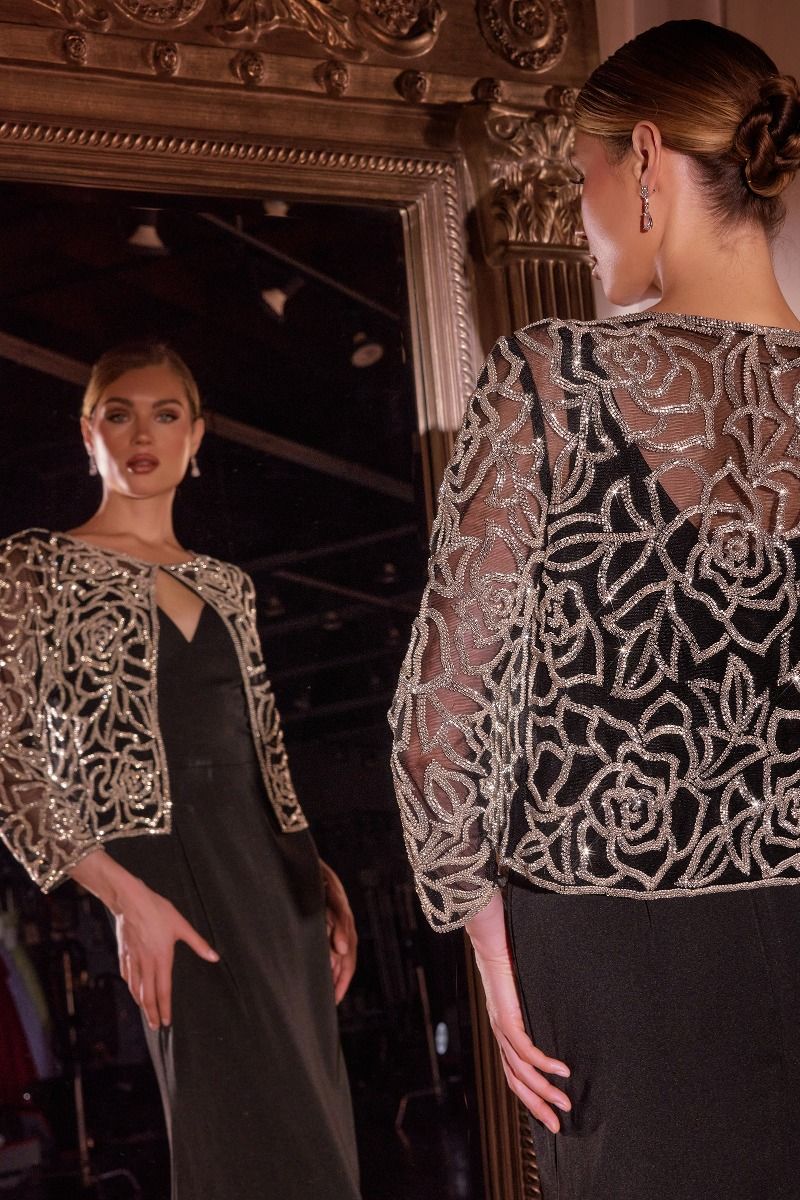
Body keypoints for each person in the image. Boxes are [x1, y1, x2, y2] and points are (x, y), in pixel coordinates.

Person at [388, 19, 800, 1200]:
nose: (577, 218)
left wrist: (484, 937)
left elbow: (444, 709)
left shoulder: (549, 380)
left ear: (647, 161)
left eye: (582, 180)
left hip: (615, 953)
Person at [0, 342, 361, 1199]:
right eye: (119, 414)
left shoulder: (227, 585)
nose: (142, 434)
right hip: (163, 882)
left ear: (195, 437)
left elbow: (262, 749)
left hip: (277, 885)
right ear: (87, 433)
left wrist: (320, 874)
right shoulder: (33, 567)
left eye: (165, 416)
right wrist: (124, 897)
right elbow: (7, 758)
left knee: (318, 1139)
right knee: (231, 1138)